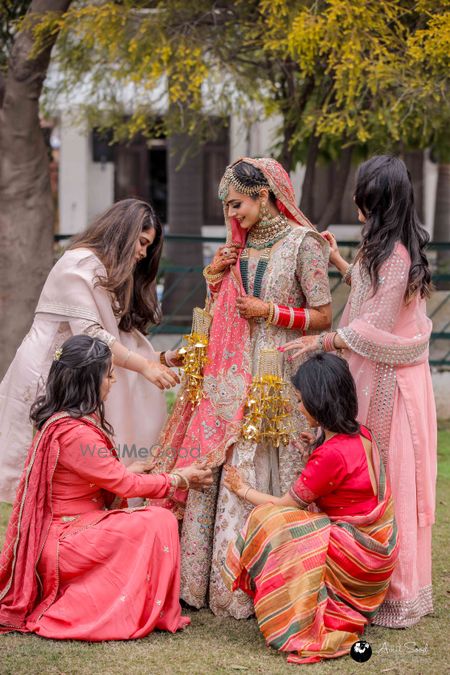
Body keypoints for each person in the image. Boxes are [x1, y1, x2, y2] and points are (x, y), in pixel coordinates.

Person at [154, 157, 332, 617]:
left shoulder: (304, 244)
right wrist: (215, 277)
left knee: (281, 463)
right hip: (236, 375)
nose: (233, 215)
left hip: (284, 374)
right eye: (228, 207)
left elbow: (324, 316)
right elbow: (226, 313)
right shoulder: (240, 246)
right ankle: (223, 587)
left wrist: (272, 313)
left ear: (265, 194)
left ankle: (285, 579)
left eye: (237, 204)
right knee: (231, 467)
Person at [283, 155, 436, 628]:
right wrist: (337, 260)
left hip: (396, 384)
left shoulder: (397, 255)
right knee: (371, 472)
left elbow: (372, 326)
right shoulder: (384, 249)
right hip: (376, 373)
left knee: (391, 476)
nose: (354, 201)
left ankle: (397, 590)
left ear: (378, 202)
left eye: (363, 195)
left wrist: (322, 339)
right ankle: (365, 576)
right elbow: (373, 295)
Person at [0, 335, 212, 640]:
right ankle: (116, 607)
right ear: (88, 380)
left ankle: (127, 600)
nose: (112, 381)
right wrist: (180, 478)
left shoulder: (62, 420)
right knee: (158, 519)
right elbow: (124, 485)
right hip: (68, 541)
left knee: (147, 519)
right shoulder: (74, 431)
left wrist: (131, 470)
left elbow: (102, 476)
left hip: (68, 533)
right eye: (108, 374)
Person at [0, 198, 181, 504]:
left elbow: (118, 338)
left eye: (148, 247)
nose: (143, 253)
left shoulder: (106, 272)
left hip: (79, 378)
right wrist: (145, 368)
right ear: (123, 234)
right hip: (49, 375)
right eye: (141, 242)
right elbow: (93, 335)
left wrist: (160, 360)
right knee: (43, 480)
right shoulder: (78, 264)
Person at [222, 353, 399, 665]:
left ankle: (300, 614)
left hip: (358, 559)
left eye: (302, 400)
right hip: (378, 550)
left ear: (320, 402)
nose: (298, 407)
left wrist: (242, 489)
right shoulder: (361, 432)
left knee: (270, 520)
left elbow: (284, 505)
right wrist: (317, 444)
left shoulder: (330, 455)